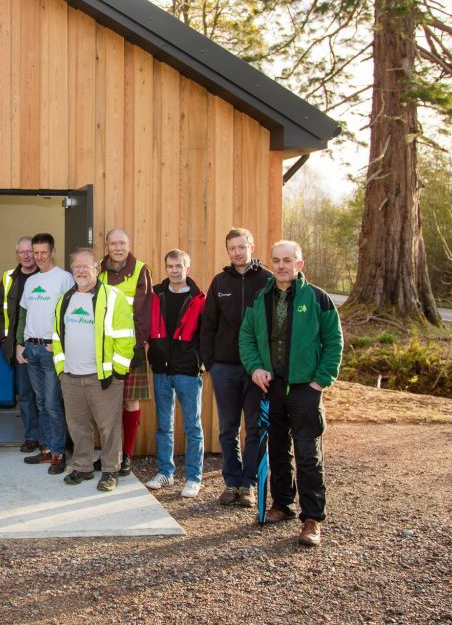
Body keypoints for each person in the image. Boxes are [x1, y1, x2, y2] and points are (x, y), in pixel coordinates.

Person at [239, 240, 342, 547]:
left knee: (308, 454)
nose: (281, 265)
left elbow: (334, 342)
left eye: (288, 260)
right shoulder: (261, 298)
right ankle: (283, 504)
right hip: (272, 388)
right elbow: (246, 337)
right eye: (276, 260)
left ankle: (312, 519)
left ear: (299, 264)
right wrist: (255, 368)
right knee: (278, 450)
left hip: (305, 389)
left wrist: (320, 382)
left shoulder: (317, 299)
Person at [200, 227, 272, 507]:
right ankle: (231, 482)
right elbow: (208, 326)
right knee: (228, 429)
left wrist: (268, 365)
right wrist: (211, 362)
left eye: (242, 247)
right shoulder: (220, 283)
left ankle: (248, 485)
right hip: (225, 369)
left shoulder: (267, 281)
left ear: (251, 247)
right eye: (233, 248)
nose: (238, 252)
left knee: (254, 429)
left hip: (257, 371)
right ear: (228, 251)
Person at [52, 248, 135, 492]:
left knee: (108, 426)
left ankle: (110, 470)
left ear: (96, 269)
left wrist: (117, 371)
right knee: (77, 426)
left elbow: (125, 337)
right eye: (76, 266)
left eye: (85, 266)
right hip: (71, 376)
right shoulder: (65, 300)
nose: (80, 270)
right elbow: (57, 335)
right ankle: (83, 466)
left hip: (103, 377)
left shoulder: (113, 297)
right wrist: (61, 369)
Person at [145, 249, 206, 498]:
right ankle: (165, 473)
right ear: (166, 268)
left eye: (179, 266)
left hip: (188, 371)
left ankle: (193, 477)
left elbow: (206, 334)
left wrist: (199, 361)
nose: (174, 270)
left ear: (187, 269)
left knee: (192, 426)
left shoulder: (199, 298)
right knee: (164, 426)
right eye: (170, 266)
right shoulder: (155, 295)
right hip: (161, 369)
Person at [15, 233, 75, 474]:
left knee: (51, 403)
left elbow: (71, 314)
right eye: (35, 252)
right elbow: (22, 315)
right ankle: (48, 448)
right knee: (40, 402)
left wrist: (60, 345)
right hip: (32, 348)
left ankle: (59, 453)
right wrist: (20, 344)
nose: (38, 257)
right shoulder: (30, 281)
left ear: (52, 252)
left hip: (51, 350)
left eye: (43, 252)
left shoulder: (64, 278)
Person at [97, 228, 153, 475]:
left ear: (128, 245)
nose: (118, 248)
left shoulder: (141, 269)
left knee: (130, 401)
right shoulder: (97, 269)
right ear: (106, 246)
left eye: (122, 243)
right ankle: (110, 454)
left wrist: (138, 346)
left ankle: (127, 455)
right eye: (113, 243)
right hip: (102, 349)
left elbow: (144, 312)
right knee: (105, 404)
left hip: (130, 348)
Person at [0, 237, 40, 453]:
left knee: (48, 395)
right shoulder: (9, 278)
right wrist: (6, 342)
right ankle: (31, 437)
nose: (26, 255)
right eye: (21, 252)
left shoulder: (45, 277)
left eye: (30, 251)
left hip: (45, 345)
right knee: (26, 394)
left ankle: (49, 439)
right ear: (17, 254)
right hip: (20, 347)